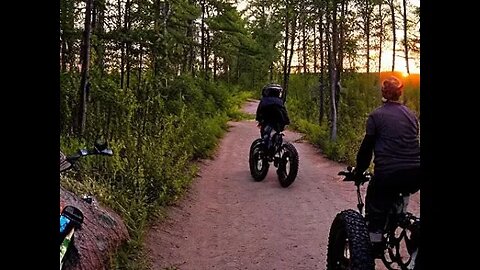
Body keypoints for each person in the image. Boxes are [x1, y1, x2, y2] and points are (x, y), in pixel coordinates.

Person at [353, 76, 420, 253]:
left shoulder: (376, 115)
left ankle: (375, 240)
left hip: (387, 174)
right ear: (400, 92)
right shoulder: (412, 115)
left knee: (375, 204)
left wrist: (359, 171)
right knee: (401, 189)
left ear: (383, 92)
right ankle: (405, 220)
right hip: (416, 173)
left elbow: (367, 148)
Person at [255, 83, 290, 156]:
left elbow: (259, 112)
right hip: (279, 122)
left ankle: (266, 150)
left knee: (265, 134)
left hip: (267, 121)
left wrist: (259, 120)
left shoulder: (264, 100)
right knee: (277, 132)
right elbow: (284, 112)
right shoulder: (280, 101)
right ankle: (276, 146)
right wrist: (286, 122)